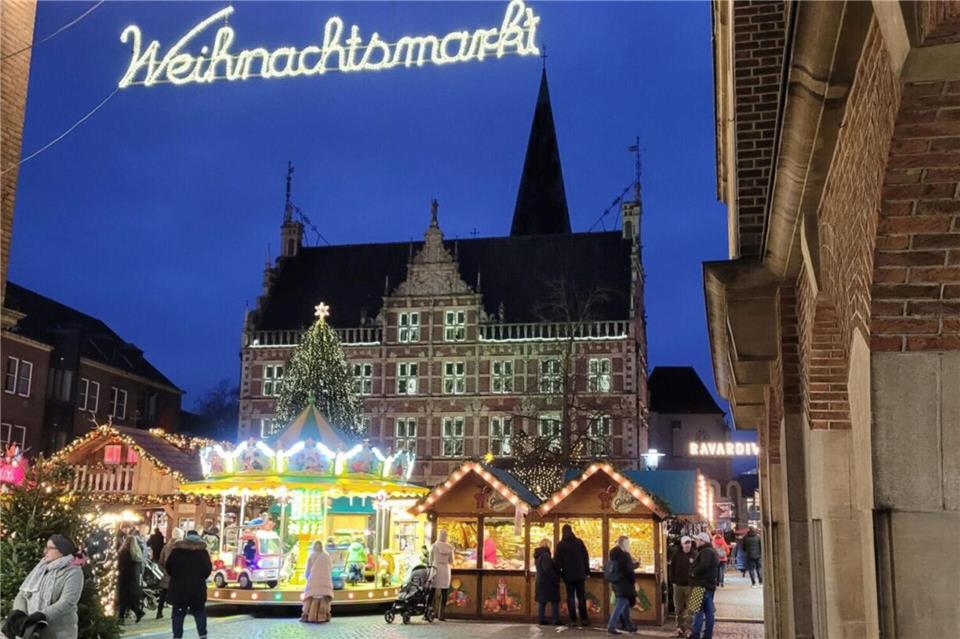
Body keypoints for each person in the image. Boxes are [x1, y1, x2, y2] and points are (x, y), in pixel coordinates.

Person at [4, 535, 84, 639]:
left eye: (50, 548)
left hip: (58, 634)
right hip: (31, 631)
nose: (45, 551)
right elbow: (22, 594)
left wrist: (42, 615)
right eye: (46, 547)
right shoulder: (41, 568)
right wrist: (20, 615)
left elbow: (67, 602)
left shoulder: (74, 572)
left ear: (62, 551)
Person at [165, 530, 212, 639]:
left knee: (178, 614)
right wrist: (199, 578)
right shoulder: (202, 552)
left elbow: (168, 567)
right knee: (199, 612)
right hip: (197, 589)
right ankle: (202, 635)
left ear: (185, 538)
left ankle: (177, 636)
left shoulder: (176, 551)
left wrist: (176, 576)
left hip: (179, 589)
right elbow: (207, 569)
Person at [554, 524, 591, 627]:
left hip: (568, 575)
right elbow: (585, 557)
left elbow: (557, 561)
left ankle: (573, 620)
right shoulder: (579, 542)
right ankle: (584, 619)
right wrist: (587, 572)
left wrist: (559, 574)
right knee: (581, 596)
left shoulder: (561, 545)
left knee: (570, 596)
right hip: (580, 574)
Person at [605, 535, 638, 635]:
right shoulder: (625, 555)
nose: (629, 546)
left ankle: (629, 625)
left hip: (616, 583)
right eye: (628, 543)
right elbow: (629, 571)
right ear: (624, 544)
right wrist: (633, 580)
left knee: (625, 603)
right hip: (625, 584)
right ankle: (611, 626)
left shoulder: (613, 555)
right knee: (621, 604)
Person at [689, 532, 719, 639]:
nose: (695, 542)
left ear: (702, 541)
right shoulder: (711, 551)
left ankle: (695, 634)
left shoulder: (706, 552)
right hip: (708, 586)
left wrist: (693, 573)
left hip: (700, 585)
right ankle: (707, 635)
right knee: (709, 612)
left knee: (697, 611)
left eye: (697, 540)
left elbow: (703, 566)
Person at [668, 536, 697, 637]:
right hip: (678, 586)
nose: (688, 545)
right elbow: (672, 569)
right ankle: (679, 628)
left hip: (690, 586)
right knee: (678, 609)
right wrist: (673, 581)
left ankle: (689, 629)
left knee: (691, 609)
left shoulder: (695, 555)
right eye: (686, 543)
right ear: (682, 544)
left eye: (689, 543)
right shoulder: (676, 555)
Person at [302, 541, 333, 623]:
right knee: (324, 599)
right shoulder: (327, 556)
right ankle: (324, 616)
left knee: (310, 598)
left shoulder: (311, 556)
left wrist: (307, 577)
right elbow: (330, 568)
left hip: (313, 581)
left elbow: (308, 570)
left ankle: (308, 616)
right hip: (325, 581)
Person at [155, 528, 183, 621]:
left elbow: (161, 561)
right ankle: (174, 614)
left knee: (163, 594)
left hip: (166, 574)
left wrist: (164, 571)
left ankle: (159, 612)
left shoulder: (166, 546)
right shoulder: (180, 548)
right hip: (176, 575)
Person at [117, 534, 145, 623]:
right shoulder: (137, 553)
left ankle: (121, 618)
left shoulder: (124, 552)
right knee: (129, 600)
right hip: (134, 580)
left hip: (125, 579)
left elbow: (121, 566)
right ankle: (138, 612)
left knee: (123, 599)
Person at [533, 539, 562, 626]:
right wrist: (556, 578)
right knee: (554, 600)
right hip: (548, 582)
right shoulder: (545, 556)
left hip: (540, 581)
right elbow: (548, 569)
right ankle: (555, 619)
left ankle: (542, 619)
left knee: (542, 601)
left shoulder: (538, 555)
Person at [429, 530, 454, 621]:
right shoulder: (450, 547)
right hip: (445, 569)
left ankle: (428, 612)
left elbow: (430, 559)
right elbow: (451, 561)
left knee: (432, 591)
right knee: (444, 592)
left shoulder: (434, 546)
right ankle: (441, 614)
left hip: (435, 568)